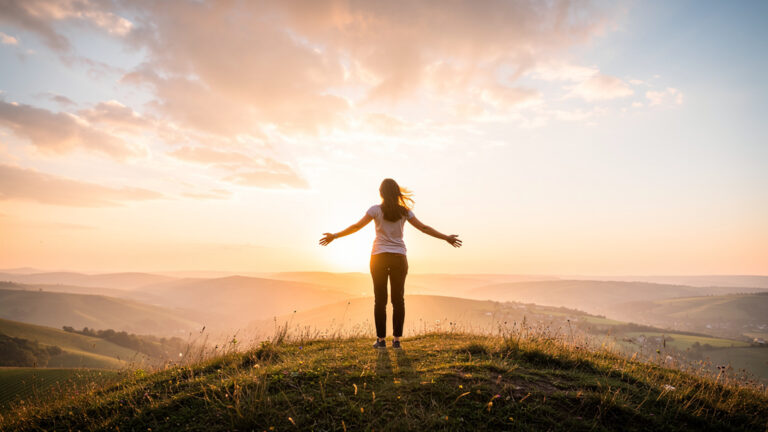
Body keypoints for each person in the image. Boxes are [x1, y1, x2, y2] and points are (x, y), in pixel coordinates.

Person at [319, 178, 462, 349]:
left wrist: (335, 236)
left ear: (381, 193)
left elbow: (356, 227)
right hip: (399, 258)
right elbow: (424, 228)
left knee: (380, 300)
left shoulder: (375, 210)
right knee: (398, 300)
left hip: (378, 257)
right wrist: (446, 237)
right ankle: (397, 341)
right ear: (397, 193)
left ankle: (380, 341)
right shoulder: (404, 212)